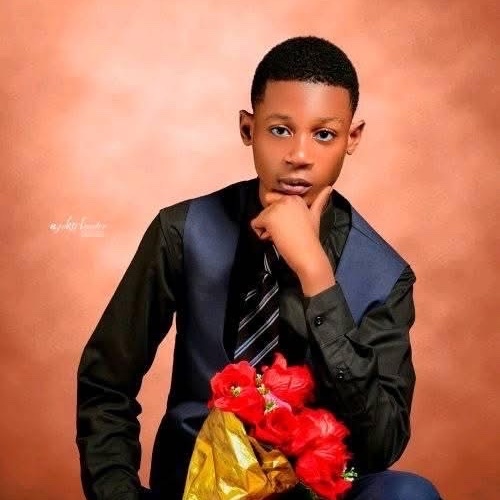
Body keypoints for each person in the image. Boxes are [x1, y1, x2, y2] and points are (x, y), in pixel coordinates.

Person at [76, 36, 441, 500]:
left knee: (408, 494)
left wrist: (316, 277)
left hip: (318, 490)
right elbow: (105, 383)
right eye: (281, 130)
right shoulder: (182, 231)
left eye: (324, 134)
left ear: (352, 138)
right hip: (195, 485)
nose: (299, 155)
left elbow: (379, 446)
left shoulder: (384, 275)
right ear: (248, 128)